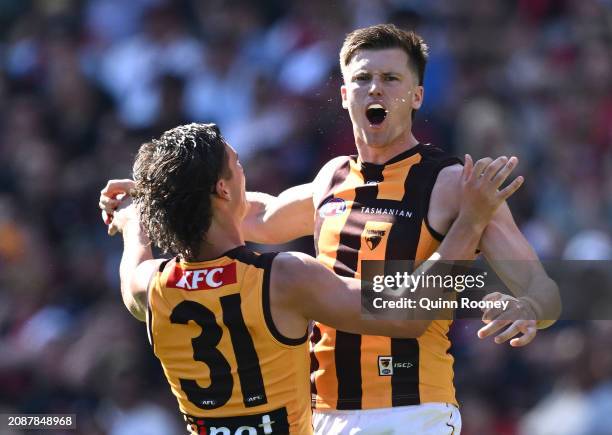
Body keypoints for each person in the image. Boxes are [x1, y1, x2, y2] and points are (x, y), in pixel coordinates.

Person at [104, 122, 523, 434]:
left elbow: (132, 264)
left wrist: (138, 213)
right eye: (238, 165)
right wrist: (470, 222)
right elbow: (407, 315)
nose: (245, 174)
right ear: (223, 190)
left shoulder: (149, 287)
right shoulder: (282, 277)